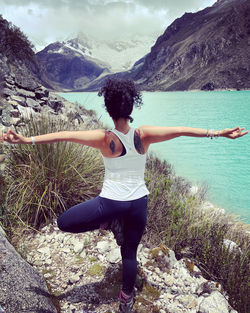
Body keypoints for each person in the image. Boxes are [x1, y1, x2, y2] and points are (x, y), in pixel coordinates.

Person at [1, 78, 248, 313]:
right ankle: (126, 299)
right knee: (130, 254)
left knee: (63, 222)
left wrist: (25, 140)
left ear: (108, 108)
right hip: (139, 203)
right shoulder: (144, 134)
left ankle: (107, 222)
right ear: (131, 106)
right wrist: (219, 133)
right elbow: (181, 130)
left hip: (110, 203)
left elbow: (64, 135)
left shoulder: (104, 138)